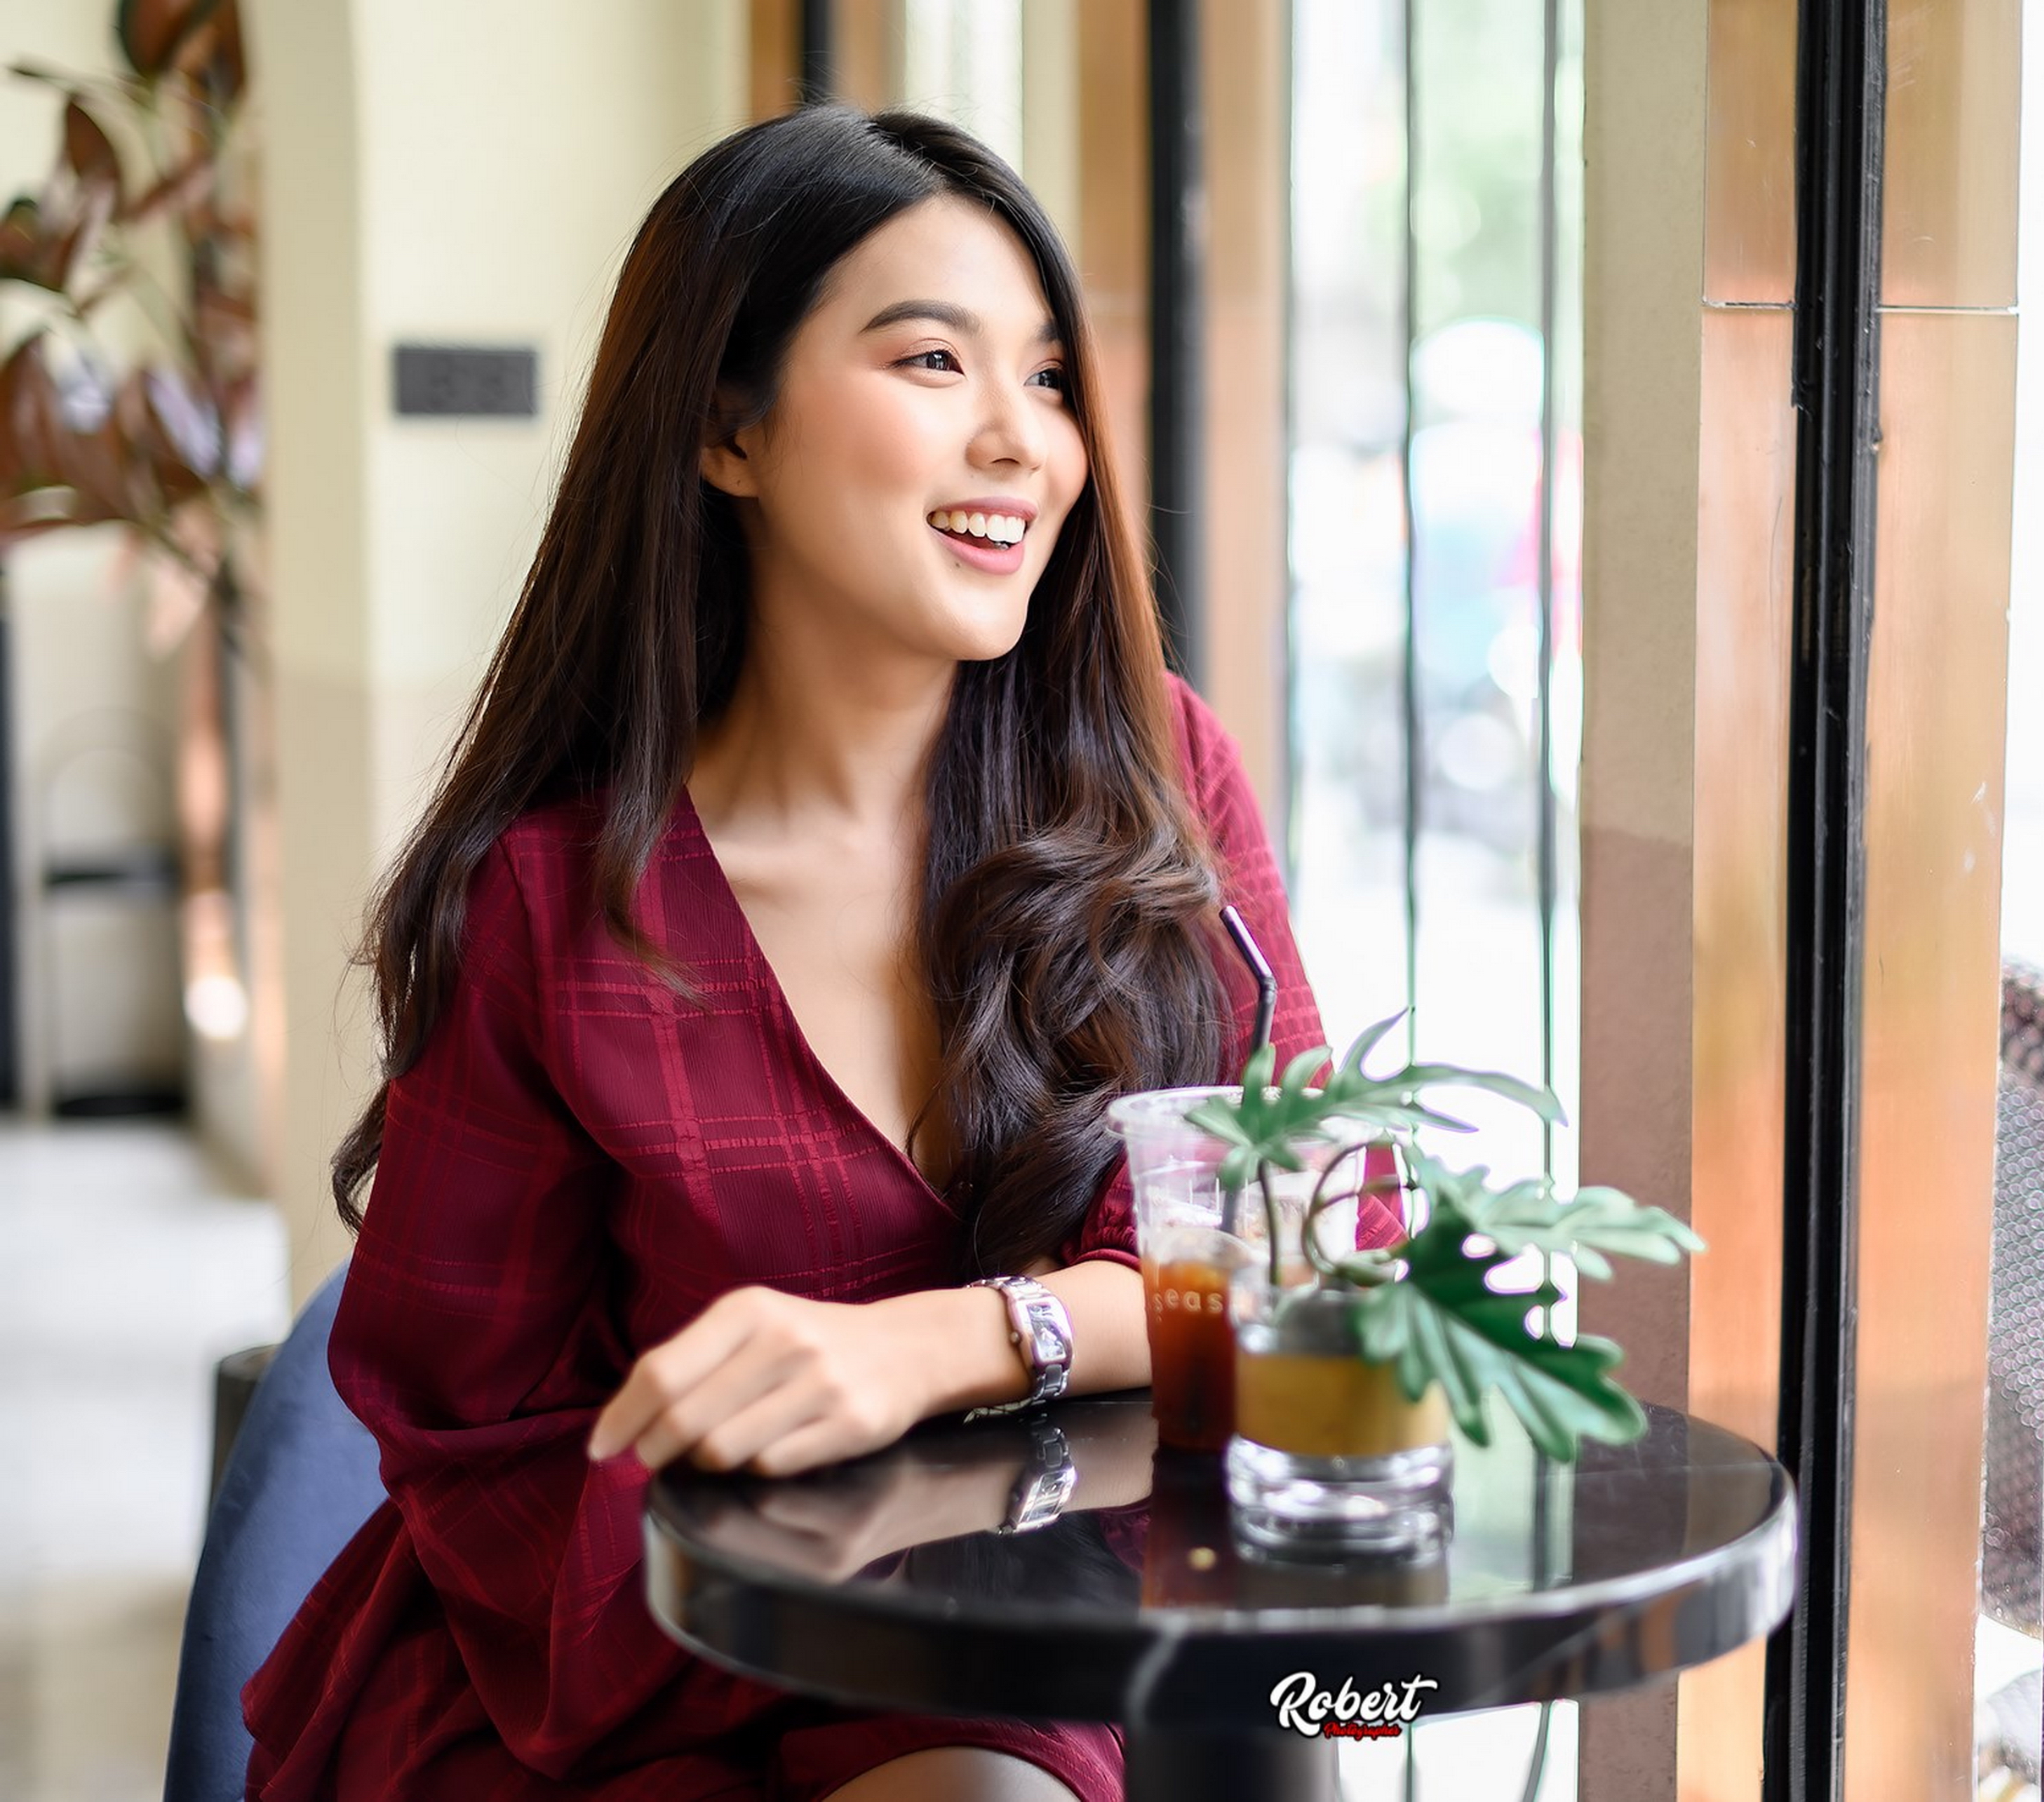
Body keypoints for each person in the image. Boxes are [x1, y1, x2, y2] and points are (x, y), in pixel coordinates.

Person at [239, 106, 1382, 1802]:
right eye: (934, 361)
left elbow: (1312, 1237)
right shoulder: (551, 903)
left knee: (1276, 1741)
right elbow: (471, 1433)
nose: (1023, 441)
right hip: (628, 1673)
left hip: (1051, 1643)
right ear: (729, 432)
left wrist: (941, 1344)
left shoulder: (1155, 774)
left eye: (1052, 378)